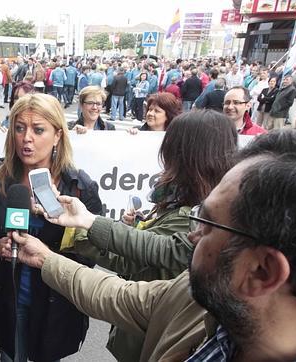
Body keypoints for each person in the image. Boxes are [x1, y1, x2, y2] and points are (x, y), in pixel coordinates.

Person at [14, 129, 296, 362]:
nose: (191, 236)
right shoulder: (201, 297)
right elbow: (123, 296)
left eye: (207, 224)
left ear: (261, 271)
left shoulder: (213, 288)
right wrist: (46, 260)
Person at [74, 110, 237, 360]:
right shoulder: (181, 196)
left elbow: (146, 254)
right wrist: (140, 225)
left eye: (171, 146)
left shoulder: (194, 216)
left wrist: (80, 231)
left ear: (187, 154)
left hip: (150, 333)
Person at [0, 93, 103, 362]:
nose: (26, 138)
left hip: (55, 306)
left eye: (38, 129)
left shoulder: (79, 188)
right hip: (8, 301)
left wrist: (47, 257)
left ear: (57, 135)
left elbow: (90, 255)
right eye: (19, 128)